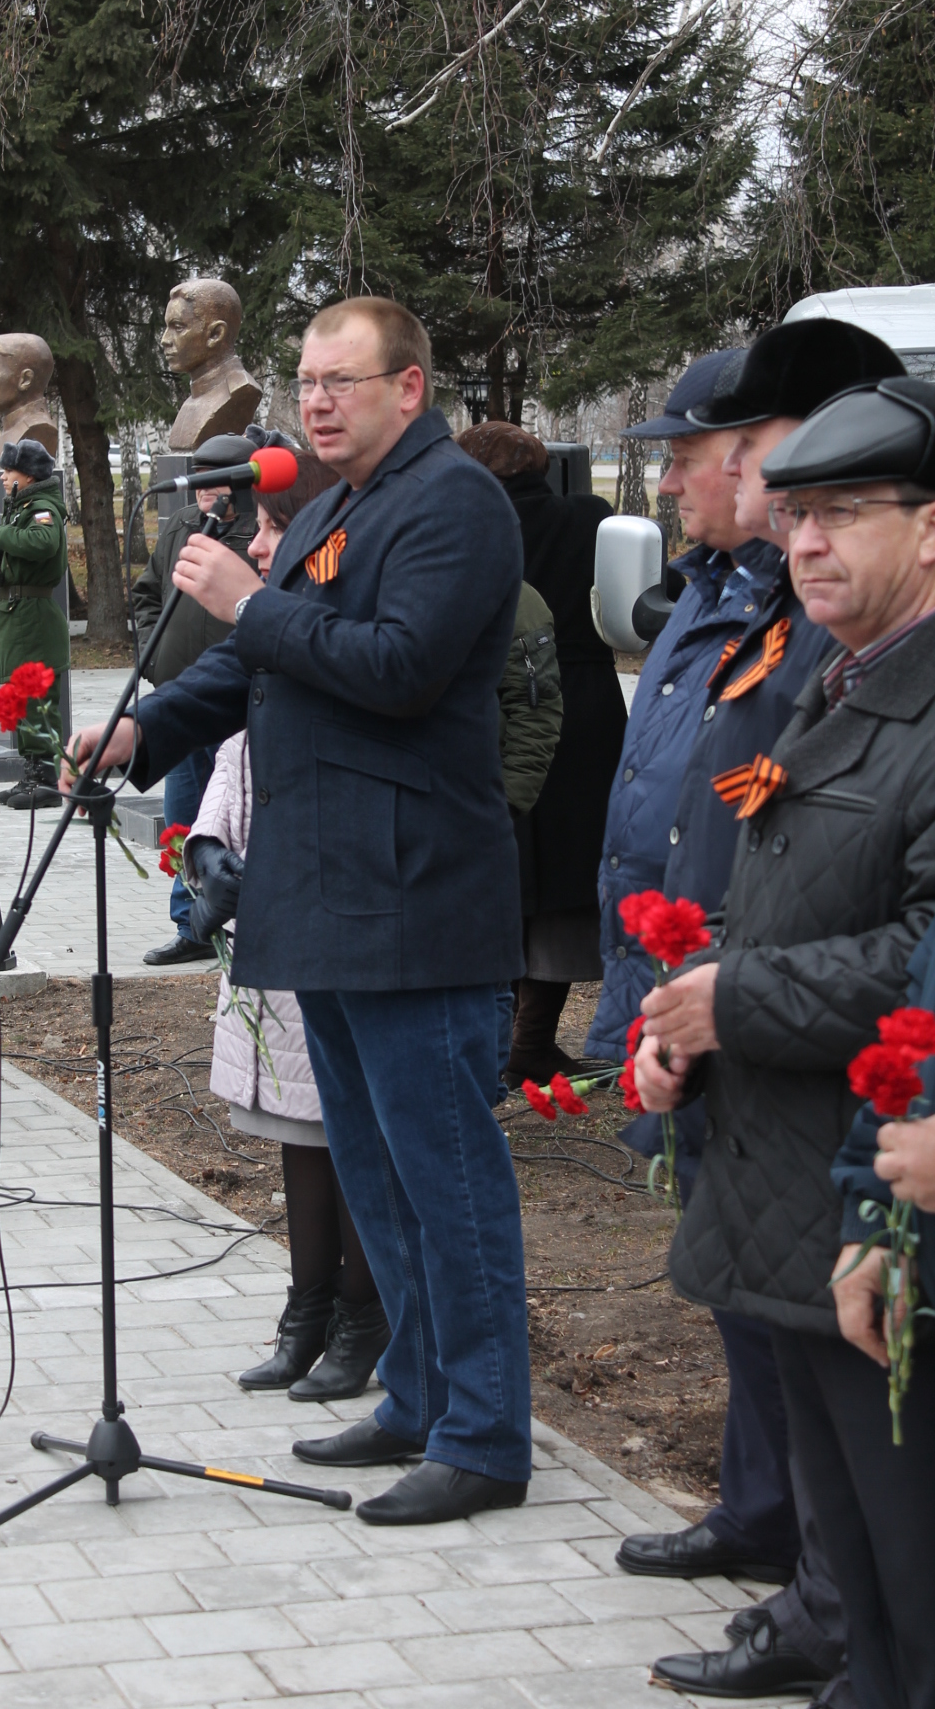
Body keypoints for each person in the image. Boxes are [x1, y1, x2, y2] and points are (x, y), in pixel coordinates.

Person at [66, 296, 533, 1526]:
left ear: (410, 389)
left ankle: (485, 1436)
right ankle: (418, 1395)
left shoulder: (453, 506)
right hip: (324, 888)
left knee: (445, 1176)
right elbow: (252, 662)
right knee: (375, 1173)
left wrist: (246, 598)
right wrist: (139, 728)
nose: (315, 402)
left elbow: (394, 665)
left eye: (342, 381)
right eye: (308, 381)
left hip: (415, 891)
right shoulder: (329, 506)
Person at [632, 373, 935, 1709]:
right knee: (856, 1579)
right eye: (797, 511)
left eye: (846, 512)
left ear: (930, 530)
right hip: (792, 1185)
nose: (806, 540)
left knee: (910, 1570)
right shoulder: (842, 679)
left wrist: (734, 1002)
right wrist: (688, 1019)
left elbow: (919, 955)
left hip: (879, 1193)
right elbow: (792, 901)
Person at [183, 450, 390, 1401]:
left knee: (348, 1133)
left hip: (337, 913)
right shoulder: (270, 634)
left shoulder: (338, 631)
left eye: (271, 527)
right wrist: (209, 846)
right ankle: (304, 1312)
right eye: (255, 528)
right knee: (295, 1133)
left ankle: (363, 1316)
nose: (257, 544)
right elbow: (235, 749)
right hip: (270, 916)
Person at [586, 351, 770, 1066]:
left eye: (683, 458)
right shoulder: (704, 584)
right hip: (664, 963)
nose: (665, 484)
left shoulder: (806, 608)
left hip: (742, 986)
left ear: (753, 459)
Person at [458, 423, 621, 1082]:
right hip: (585, 709)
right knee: (564, 884)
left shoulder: (465, 529)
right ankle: (530, 1040)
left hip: (496, 709)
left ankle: (505, 1044)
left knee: (507, 875)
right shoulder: (588, 518)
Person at [455, 429, 564, 1075]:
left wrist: (506, 804)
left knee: (495, 955)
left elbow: (535, 714)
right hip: (453, 816)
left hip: (489, 813)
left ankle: (494, 1070)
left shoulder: (519, 603)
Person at [130, 434, 260, 966]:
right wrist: (151, 656)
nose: (205, 493)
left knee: (230, 824)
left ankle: (238, 922)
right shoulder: (182, 526)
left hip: (234, 708)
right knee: (183, 820)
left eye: (216, 481)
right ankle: (189, 926)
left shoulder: (259, 533)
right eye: (199, 479)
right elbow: (146, 593)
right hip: (179, 695)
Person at [0, 438, 69, 810]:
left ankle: (46, 777)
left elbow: (43, 543)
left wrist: (0, 533)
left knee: (36, 698)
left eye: (8, 470)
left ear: (27, 476)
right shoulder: (22, 506)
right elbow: (5, 564)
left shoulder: (43, 508)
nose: (2, 477)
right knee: (22, 695)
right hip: (17, 613)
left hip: (33, 616)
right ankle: (32, 770)